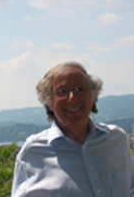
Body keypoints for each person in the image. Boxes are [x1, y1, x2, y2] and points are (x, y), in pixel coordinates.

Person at [11, 61, 134, 197]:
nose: (72, 98)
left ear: (92, 98)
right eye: (62, 92)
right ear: (50, 103)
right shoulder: (32, 153)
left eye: (79, 89)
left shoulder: (116, 140)